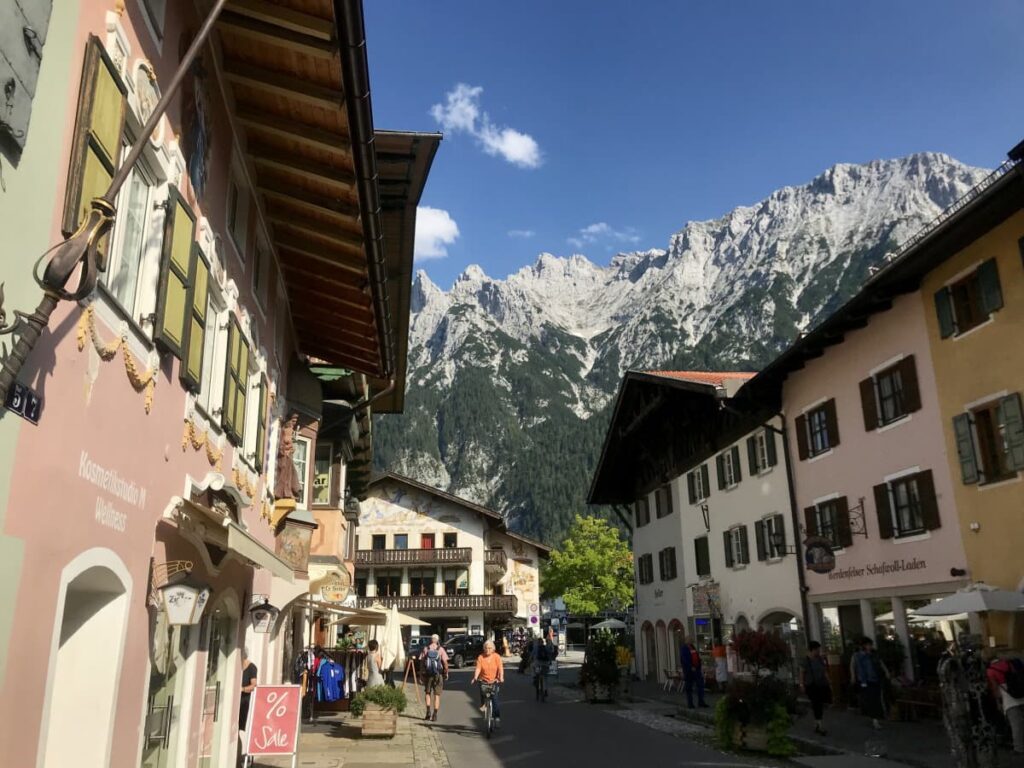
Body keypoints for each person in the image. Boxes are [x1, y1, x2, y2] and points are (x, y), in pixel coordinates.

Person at [986, 654, 1024, 755]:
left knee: (1016, 725)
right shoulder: (1008, 663)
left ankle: (1019, 748)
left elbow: (995, 689)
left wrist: (998, 702)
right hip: (1021, 693)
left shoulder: (990, 671)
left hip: (1009, 699)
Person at [851, 637, 886, 730]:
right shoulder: (858, 656)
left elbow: (880, 663)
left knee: (877, 698)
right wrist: (853, 676)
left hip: (875, 678)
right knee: (871, 699)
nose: (870, 647)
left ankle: (877, 717)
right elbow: (853, 665)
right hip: (865, 680)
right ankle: (875, 719)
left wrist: (886, 672)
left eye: (870, 645)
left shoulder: (874, 654)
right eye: (868, 645)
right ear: (864, 646)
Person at [800, 641, 832, 735]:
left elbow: (824, 671)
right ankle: (818, 724)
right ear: (812, 650)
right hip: (811, 685)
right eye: (817, 650)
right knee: (816, 704)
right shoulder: (806, 660)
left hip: (821, 684)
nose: (818, 651)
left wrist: (828, 680)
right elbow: (802, 673)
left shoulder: (820, 659)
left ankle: (818, 723)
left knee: (820, 704)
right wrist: (801, 684)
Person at [472, 640, 505, 727]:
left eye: (490, 648)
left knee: (495, 699)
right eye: (486, 648)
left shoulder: (497, 657)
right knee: (482, 691)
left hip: (494, 680)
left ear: (493, 649)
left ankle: (497, 718)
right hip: (483, 680)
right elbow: (478, 668)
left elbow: (500, 668)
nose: (487, 650)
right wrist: (475, 677)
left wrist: (501, 677)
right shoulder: (481, 657)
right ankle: (483, 704)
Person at [419, 634, 449, 722]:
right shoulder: (441, 649)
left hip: (428, 674)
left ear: (431, 640)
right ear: (437, 640)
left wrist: (421, 674)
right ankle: (435, 715)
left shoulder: (426, 649)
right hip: (438, 675)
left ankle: (428, 712)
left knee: (428, 693)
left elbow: (421, 662)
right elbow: (445, 663)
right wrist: (446, 673)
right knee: (437, 695)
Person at [680, 638, 708, 709]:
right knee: (689, 688)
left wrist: (699, 663)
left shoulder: (693, 647)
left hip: (697, 669)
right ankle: (690, 704)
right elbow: (685, 659)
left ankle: (701, 702)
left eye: (691, 640)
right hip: (689, 671)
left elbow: (696, 656)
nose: (691, 640)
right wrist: (690, 666)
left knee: (700, 686)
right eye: (690, 639)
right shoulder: (684, 648)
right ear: (686, 640)